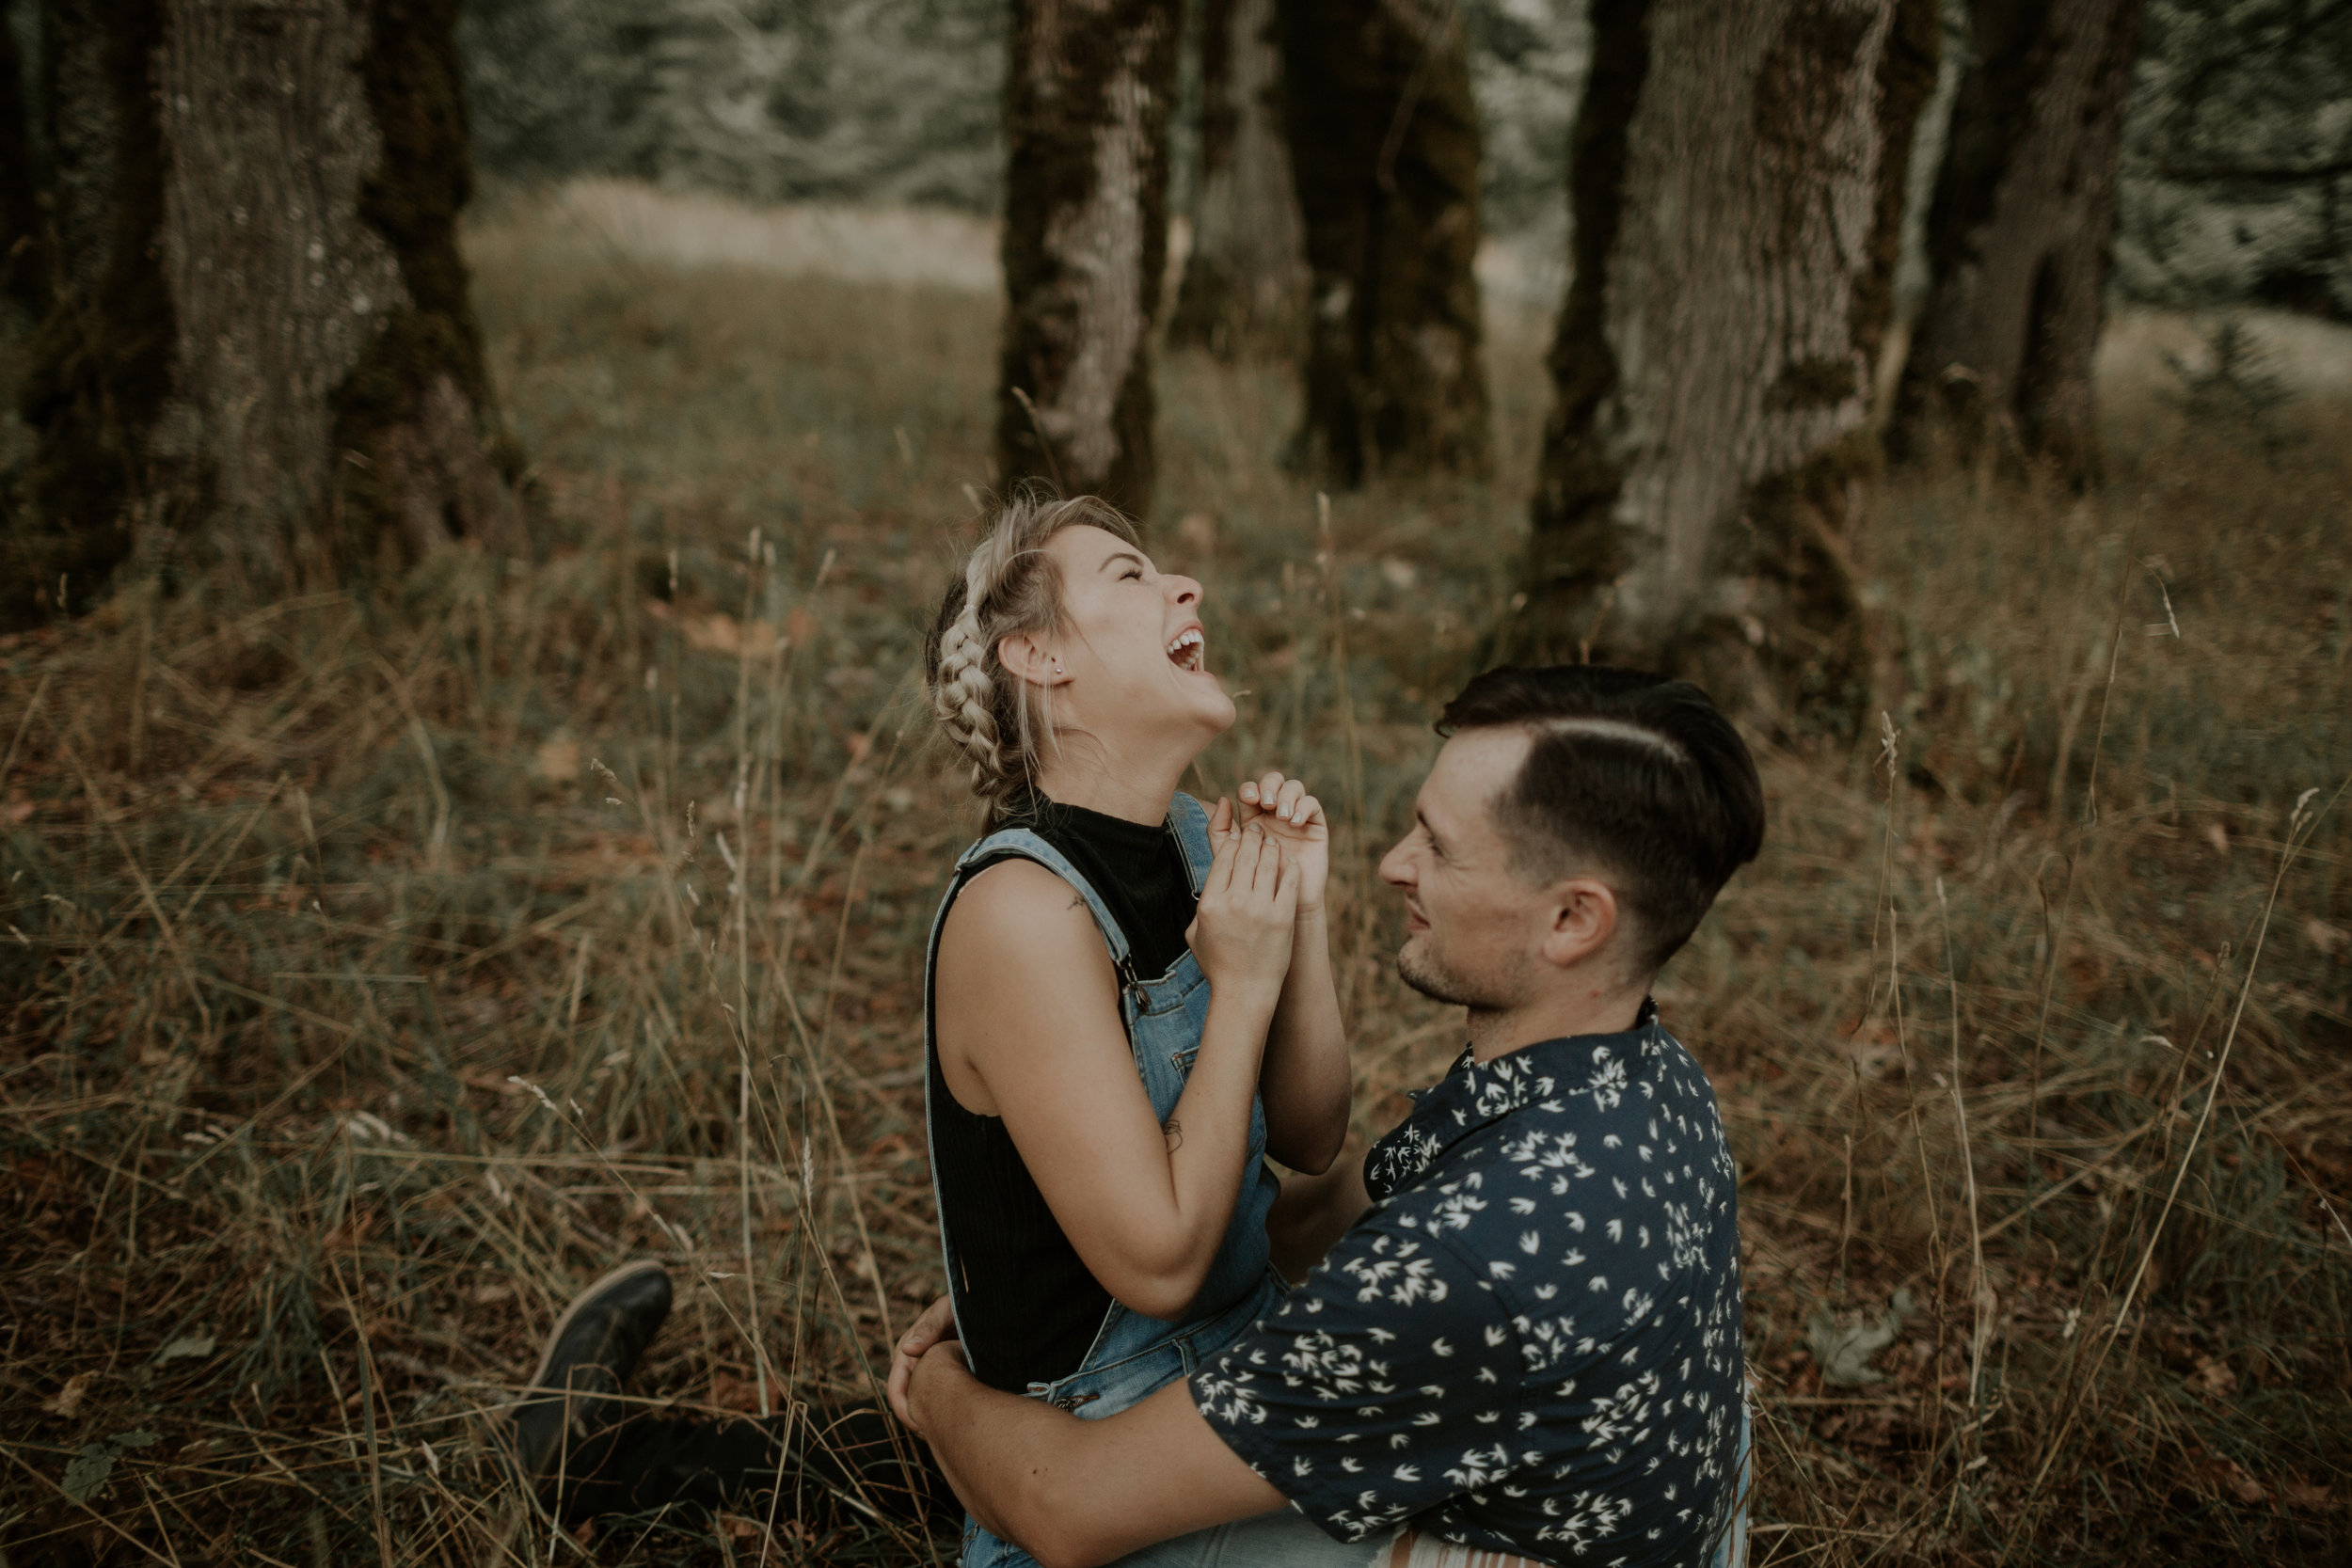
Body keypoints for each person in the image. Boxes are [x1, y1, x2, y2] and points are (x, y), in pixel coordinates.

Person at [494, 492, 1351, 1554]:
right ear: (1038, 655)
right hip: (1103, 1431)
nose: (1187, 585)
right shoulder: (1022, 915)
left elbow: (1314, 1135)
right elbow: (1163, 1265)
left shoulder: (1191, 834)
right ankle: (622, 1469)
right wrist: (1248, 981)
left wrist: (1299, 916)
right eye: (1130, 574)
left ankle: (656, 1457)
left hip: (1242, 1355)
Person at [886, 664, 1765, 1568]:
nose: (1394, 863)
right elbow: (1348, 1199)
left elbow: (1067, 1508)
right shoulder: (1646, 1076)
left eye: (1441, 846)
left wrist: (945, 1390)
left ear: (1574, 920)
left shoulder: (1460, 1270)